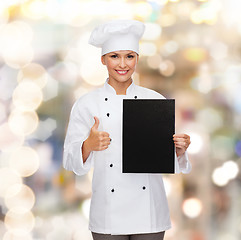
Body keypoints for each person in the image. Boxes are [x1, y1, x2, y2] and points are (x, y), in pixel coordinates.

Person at [63, 19, 191, 240]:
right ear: (103, 59)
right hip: (107, 213)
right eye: (115, 56)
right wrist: (88, 145)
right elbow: (69, 161)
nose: (122, 64)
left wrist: (179, 149)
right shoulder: (86, 104)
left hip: (149, 210)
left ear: (137, 59)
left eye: (129, 56)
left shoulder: (154, 99)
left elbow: (161, 155)